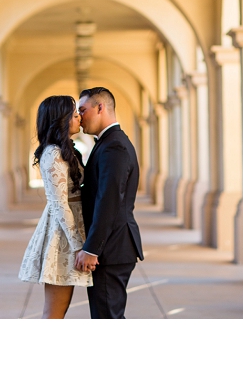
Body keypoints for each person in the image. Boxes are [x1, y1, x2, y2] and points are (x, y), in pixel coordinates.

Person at [73, 86, 144, 319]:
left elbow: (109, 200)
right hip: (113, 247)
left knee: (107, 318)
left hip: (111, 249)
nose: (79, 117)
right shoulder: (107, 142)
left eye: (82, 110)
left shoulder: (114, 145)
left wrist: (93, 249)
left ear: (100, 107)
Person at [19, 94, 91, 318]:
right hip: (62, 237)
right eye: (73, 113)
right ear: (60, 119)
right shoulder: (52, 154)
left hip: (74, 231)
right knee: (54, 312)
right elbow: (59, 204)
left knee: (59, 310)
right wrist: (79, 246)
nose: (78, 116)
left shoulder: (66, 150)